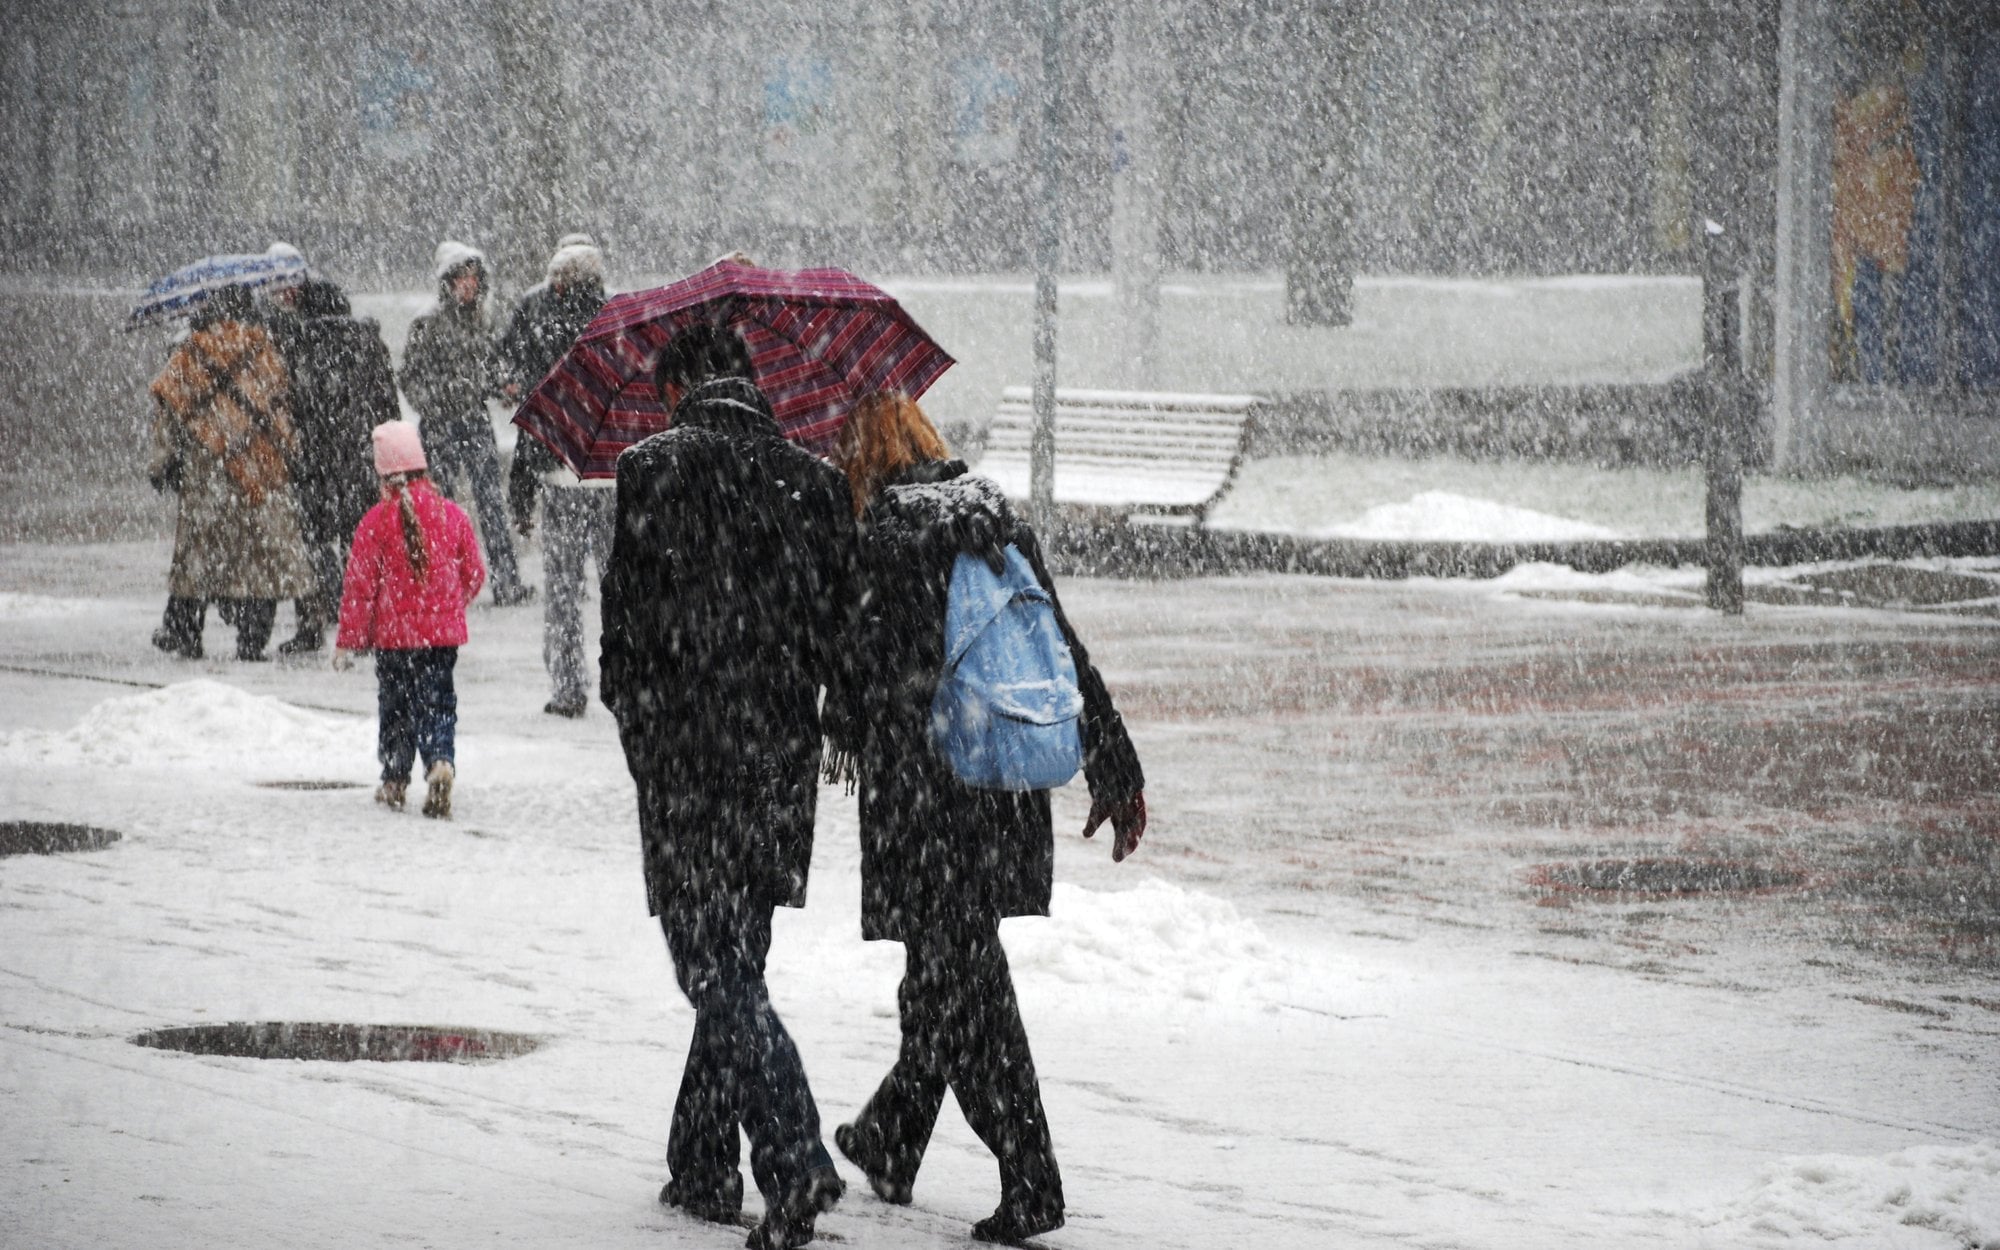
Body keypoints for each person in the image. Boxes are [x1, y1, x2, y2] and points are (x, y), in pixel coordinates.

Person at [824, 391, 1147, 1246]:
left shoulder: (886, 539)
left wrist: (838, 681)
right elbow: (1062, 648)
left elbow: (859, 693)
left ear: (862, 459)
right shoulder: (994, 520)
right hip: (1002, 786)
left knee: (970, 998)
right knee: (942, 976)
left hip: (929, 802)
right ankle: (891, 1138)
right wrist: (1115, 765)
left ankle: (1032, 1180)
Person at [599, 322, 854, 1250]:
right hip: (777, 766)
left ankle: (793, 1156)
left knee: (711, 970)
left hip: (687, 768)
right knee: (735, 965)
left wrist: (649, 743)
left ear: (680, 390)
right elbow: (841, 638)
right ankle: (703, 1162)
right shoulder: (816, 483)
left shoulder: (651, 470)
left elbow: (621, 646)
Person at [146, 283, 318, 662]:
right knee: (260, 567)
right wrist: (289, 456)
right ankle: (251, 644)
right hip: (260, 472)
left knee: (198, 562)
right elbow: (283, 410)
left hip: (207, 474)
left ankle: (188, 637)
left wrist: (162, 463)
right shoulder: (264, 350)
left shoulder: (190, 354)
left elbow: (169, 414)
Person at [332, 421, 486, 820]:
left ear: (383, 473)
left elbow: (360, 587)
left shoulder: (375, 521)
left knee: (396, 708)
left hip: (394, 639)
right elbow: (474, 572)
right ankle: (441, 761)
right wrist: (449, 608)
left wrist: (349, 639)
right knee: (438, 701)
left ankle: (395, 779)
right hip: (440, 639)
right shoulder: (452, 515)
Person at [499, 237, 611, 716]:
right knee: (619, 590)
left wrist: (521, 493)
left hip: (562, 479)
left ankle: (569, 688)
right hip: (612, 479)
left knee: (563, 591)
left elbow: (534, 421)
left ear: (560, 283)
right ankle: (628, 684)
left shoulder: (546, 332)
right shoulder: (616, 323)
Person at [262, 273, 400, 654]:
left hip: (314, 459)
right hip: (360, 458)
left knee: (314, 541)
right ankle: (365, 625)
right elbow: (387, 403)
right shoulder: (367, 343)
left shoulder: (298, 343)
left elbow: (288, 404)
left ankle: (313, 621)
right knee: (361, 545)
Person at [397, 240, 533, 606]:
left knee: (491, 502)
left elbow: (488, 369)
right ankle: (443, 583)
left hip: (474, 419)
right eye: (461, 277)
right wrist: (435, 403)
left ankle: (506, 582)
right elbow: (409, 376)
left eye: (473, 277)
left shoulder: (482, 321)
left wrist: (501, 386)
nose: (468, 284)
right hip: (440, 425)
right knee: (440, 508)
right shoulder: (427, 322)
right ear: (448, 282)